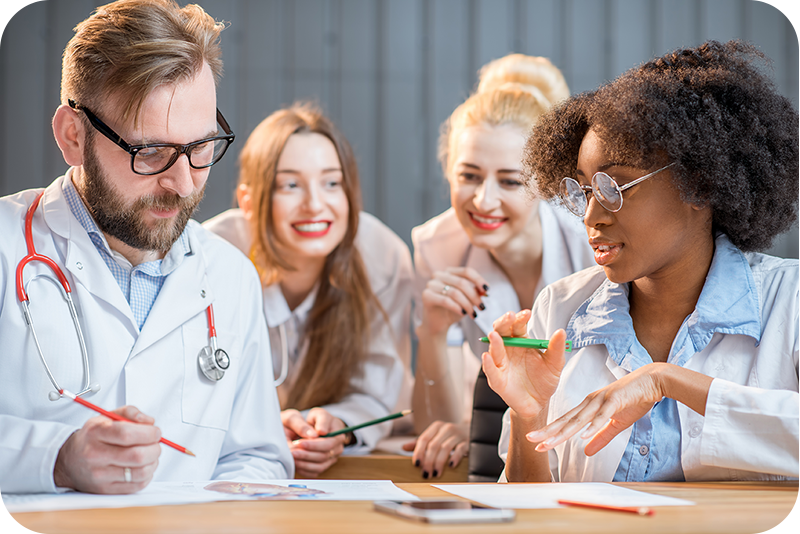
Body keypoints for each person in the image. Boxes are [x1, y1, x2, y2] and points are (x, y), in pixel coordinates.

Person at [0, 0, 293, 494]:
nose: (183, 183)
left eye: (200, 148)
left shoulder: (230, 276)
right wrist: (56, 459)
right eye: (150, 152)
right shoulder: (7, 247)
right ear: (73, 136)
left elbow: (256, 458)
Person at [484, 40, 800, 482]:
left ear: (701, 186)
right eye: (586, 191)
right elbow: (530, 511)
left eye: (616, 188)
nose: (592, 216)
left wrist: (665, 380)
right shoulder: (558, 309)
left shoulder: (792, 301)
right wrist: (529, 415)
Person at [409, 54, 595, 478]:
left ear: (545, 182)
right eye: (469, 176)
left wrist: (484, 430)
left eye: (510, 181)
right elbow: (432, 426)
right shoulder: (436, 246)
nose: (483, 201)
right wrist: (433, 332)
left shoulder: (592, 244)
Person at [203, 103, 413, 478]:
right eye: (290, 185)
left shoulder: (382, 256)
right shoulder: (211, 257)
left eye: (332, 183)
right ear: (248, 202)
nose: (315, 204)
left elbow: (378, 392)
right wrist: (261, 425)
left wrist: (338, 426)